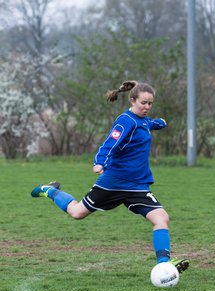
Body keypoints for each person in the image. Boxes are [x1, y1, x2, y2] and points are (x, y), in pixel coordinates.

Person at [31, 80, 189, 273]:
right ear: (132, 100)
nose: (147, 107)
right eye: (143, 103)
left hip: (137, 186)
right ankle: (51, 191)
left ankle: (164, 264)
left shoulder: (144, 121)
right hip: (113, 182)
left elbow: (150, 124)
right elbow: (110, 143)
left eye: (150, 103)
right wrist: (100, 162)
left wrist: (161, 123)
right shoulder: (125, 121)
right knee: (77, 213)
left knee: (161, 218)